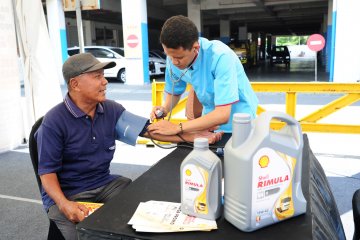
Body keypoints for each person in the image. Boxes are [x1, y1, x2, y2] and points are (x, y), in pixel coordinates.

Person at [35, 53, 223, 240]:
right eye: (97, 77)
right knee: (82, 236)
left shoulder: (110, 109)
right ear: (75, 84)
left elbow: (151, 131)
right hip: (69, 194)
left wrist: (196, 137)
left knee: (137, 217)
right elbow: (47, 173)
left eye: (103, 75)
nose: (105, 82)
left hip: (104, 184)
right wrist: (64, 204)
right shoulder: (54, 122)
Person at [148, 15, 258, 136]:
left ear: (195, 48)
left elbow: (222, 114)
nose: (174, 62)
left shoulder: (221, 57)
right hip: (209, 122)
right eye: (169, 55)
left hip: (239, 122)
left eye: (179, 57)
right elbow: (174, 92)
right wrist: (165, 109)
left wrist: (178, 127)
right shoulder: (173, 58)